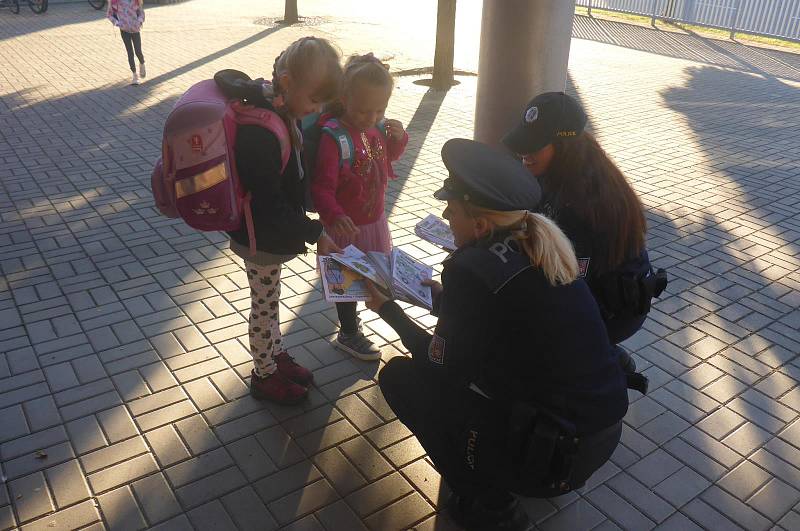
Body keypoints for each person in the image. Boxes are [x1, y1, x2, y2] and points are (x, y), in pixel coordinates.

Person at [365, 138, 629, 531]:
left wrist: (387, 309)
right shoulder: (540, 241)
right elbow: (508, 318)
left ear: (481, 224)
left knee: (401, 378)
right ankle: (509, 466)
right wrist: (443, 302)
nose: (445, 215)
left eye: (452, 210)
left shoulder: (471, 269)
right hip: (597, 437)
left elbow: (442, 365)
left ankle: (493, 507)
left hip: (554, 454)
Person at [214, 37, 343, 405]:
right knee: (264, 305)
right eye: (315, 100)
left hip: (270, 233)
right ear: (287, 83)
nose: (316, 109)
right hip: (260, 237)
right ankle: (263, 374)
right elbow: (269, 203)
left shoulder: (277, 108)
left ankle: (274, 354)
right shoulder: (260, 131)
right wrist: (315, 230)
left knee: (271, 299)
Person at [502, 92, 666, 380]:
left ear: (563, 145)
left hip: (616, 308)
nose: (524, 155)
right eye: (523, 144)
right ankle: (598, 353)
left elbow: (567, 285)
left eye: (534, 146)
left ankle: (605, 361)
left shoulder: (581, 202)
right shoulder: (568, 167)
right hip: (599, 289)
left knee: (528, 318)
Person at [311, 53, 408, 361]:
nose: (371, 116)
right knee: (347, 281)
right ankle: (348, 332)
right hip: (346, 227)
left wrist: (399, 137)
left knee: (367, 276)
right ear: (344, 98)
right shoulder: (334, 137)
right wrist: (335, 215)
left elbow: (388, 157)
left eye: (380, 109)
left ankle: (355, 323)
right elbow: (321, 187)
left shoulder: (376, 128)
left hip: (374, 221)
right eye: (364, 110)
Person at [107, 0, 146, 85]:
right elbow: (109, 15)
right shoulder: (115, 2)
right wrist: (117, 23)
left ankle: (142, 63)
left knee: (138, 51)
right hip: (124, 30)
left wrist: (139, 21)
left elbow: (141, 13)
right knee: (130, 52)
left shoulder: (136, 1)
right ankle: (135, 75)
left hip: (135, 29)